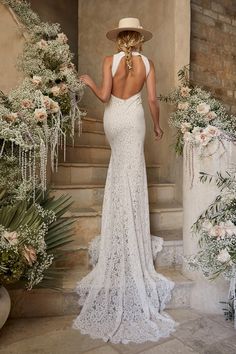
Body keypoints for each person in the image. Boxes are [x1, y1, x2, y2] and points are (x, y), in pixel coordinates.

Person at [72, 17, 177, 344]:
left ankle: (119, 226)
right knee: (133, 175)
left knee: (119, 172)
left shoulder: (108, 60)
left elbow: (104, 96)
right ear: (139, 38)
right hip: (134, 122)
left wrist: (89, 82)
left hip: (114, 122)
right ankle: (132, 228)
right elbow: (151, 102)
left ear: (120, 38)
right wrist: (158, 126)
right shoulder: (148, 62)